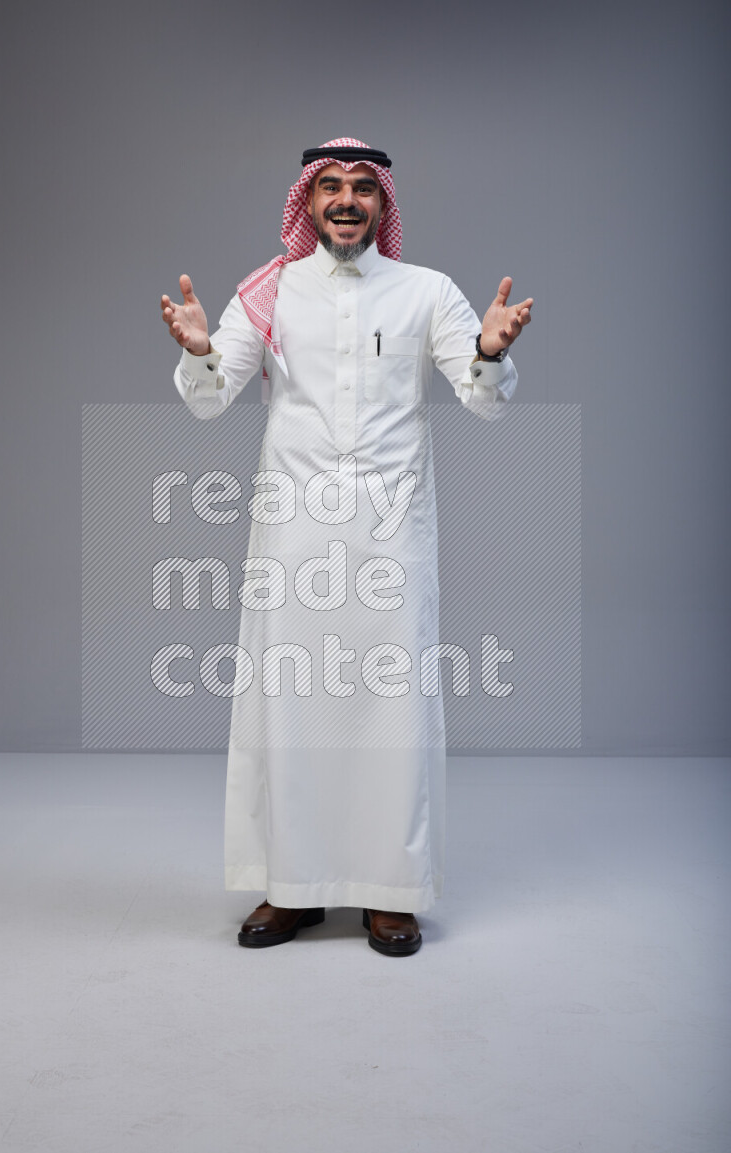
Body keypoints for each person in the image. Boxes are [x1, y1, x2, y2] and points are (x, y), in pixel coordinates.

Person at [160, 138, 532, 956]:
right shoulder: (271, 291)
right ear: (308, 200)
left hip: (393, 536)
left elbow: (482, 398)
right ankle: (291, 887)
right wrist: (196, 350)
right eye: (329, 186)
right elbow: (212, 396)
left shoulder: (426, 291)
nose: (345, 200)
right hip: (293, 535)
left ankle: (388, 891)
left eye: (363, 187)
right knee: (289, 708)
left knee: (391, 714)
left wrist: (491, 351)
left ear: (383, 203)